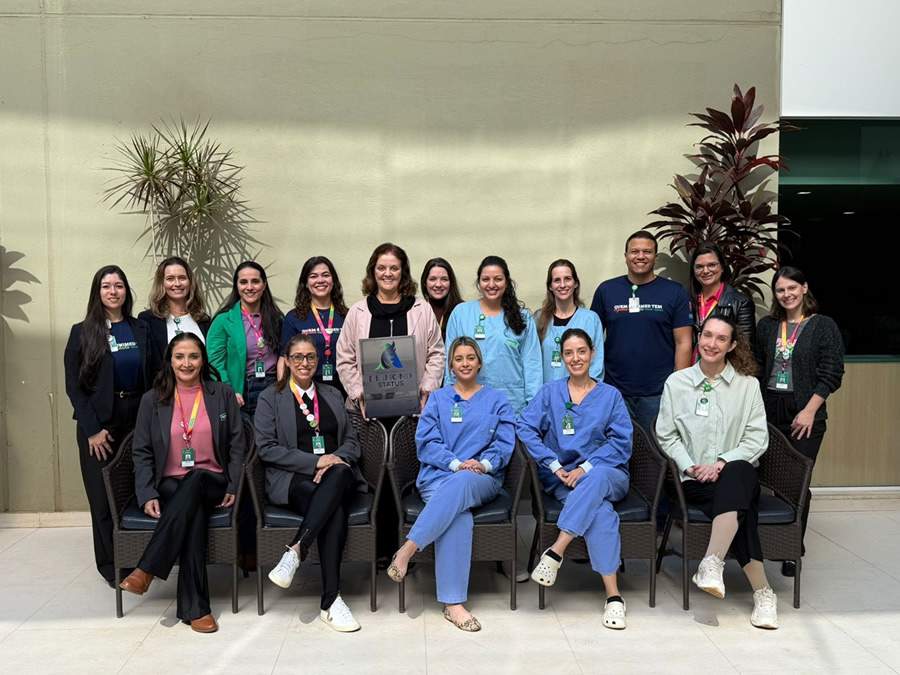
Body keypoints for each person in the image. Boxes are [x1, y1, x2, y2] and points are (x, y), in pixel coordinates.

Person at [656, 315, 777, 629]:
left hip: (733, 473)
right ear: (699, 338)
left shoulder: (747, 386)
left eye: (721, 338)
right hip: (694, 480)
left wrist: (722, 462)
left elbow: (757, 438)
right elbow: (666, 434)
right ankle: (763, 593)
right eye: (707, 335)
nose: (712, 343)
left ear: (732, 345)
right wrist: (690, 466)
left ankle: (712, 562)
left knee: (737, 472)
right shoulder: (677, 383)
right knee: (742, 508)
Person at [119, 333, 245, 633]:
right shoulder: (152, 399)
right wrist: (147, 492)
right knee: (193, 514)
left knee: (197, 476)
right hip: (171, 483)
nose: (186, 363)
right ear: (170, 362)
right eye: (179, 357)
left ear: (203, 360)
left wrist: (233, 485)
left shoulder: (222, 394)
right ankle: (196, 608)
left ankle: (147, 568)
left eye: (193, 356)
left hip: (212, 479)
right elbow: (141, 451)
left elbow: (238, 445)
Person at [386, 337, 515, 632]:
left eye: (471, 357)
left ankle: (407, 549)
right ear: (451, 366)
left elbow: (505, 443)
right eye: (459, 358)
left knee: (464, 483)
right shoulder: (438, 399)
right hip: (439, 475)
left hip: (481, 477)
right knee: (459, 514)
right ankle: (453, 604)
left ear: (479, 363)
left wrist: (483, 464)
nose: (465, 363)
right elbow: (426, 442)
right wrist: (455, 464)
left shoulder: (498, 400)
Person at [517, 328, 632, 630]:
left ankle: (556, 550)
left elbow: (622, 443)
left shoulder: (610, 396)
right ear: (562, 357)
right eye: (569, 353)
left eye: (581, 351)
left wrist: (588, 467)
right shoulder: (550, 393)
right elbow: (525, 428)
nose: (576, 358)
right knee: (601, 513)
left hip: (609, 474)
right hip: (565, 479)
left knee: (597, 478)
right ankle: (614, 597)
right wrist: (553, 464)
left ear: (592, 353)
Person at [259, 334, 365, 632]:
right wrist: (315, 462)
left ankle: (296, 550)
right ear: (287, 361)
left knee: (340, 474)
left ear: (318, 360)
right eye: (297, 357)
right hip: (294, 479)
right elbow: (266, 448)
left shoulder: (332, 394)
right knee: (334, 509)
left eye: (310, 357)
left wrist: (334, 459)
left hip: (337, 475)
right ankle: (331, 602)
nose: (304, 363)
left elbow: (352, 441)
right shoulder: (271, 397)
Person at [64, 265, 153, 587]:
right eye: (106, 286)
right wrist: (92, 429)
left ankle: (140, 559)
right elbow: (74, 387)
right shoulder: (82, 332)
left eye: (118, 285)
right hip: (100, 424)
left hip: (137, 417)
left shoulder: (140, 328)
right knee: (102, 498)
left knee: (134, 490)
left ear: (126, 291)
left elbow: (154, 374)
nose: (113, 291)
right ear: (97, 292)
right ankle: (111, 565)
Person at [754, 266, 844, 577]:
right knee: (770, 480)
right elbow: (757, 367)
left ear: (804, 288)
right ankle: (769, 541)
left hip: (805, 414)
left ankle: (792, 549)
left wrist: (809, 410)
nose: (787, 294)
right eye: (780, 290)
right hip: (769, 411)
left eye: (792, 288)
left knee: (796, 482)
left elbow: (832, 373)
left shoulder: (823, 326)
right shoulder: (767, 326)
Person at [590, 230, 693, 432]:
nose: (640, 256)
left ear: (655, 256)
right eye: (634, 251)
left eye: (647, 251)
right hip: (614, 391)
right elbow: (592, 341)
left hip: (658, 393)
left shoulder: (675, 292)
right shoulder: (607, 291)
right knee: (616, 446)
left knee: (657, 448)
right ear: (626, 256)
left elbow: (684, 342)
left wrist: (677, 388)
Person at [335, 242, 445, 420]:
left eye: (394, 268)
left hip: (413, 411)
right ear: (373, 272)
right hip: (368, 413)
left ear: (403, 272)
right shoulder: (357, 311)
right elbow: (344, 357)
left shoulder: (422, 309)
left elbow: (436, 354)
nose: (387, 273)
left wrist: (427, 388)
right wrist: (358, 392)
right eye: (381, 268)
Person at [444, 255, 541, 414]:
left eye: (498, 279)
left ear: (507, 282)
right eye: (485, 279)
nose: (491, 285)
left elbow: (532, 364)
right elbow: (450, 361)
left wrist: (533, 408)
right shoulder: (461, 314)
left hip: (512, 404)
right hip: (469, 404)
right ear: (478, 282)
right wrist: (449, 398)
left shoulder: (522, 317)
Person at [207, 261, 283, 420]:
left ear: (264, 285)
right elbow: (214, 362)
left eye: (255, 281)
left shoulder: (277, 319)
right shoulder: (223, 320)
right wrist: (229, 390)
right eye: (243, 282)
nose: (249, 287)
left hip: (273, 387)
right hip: (241, 390)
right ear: (236, 286)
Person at [280, 256, 349, 396]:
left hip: (343, 389)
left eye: (325, 275)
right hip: (305, 389)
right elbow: (283, 359)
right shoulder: (293, 318)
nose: (320, 280)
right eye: (313, 276)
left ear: (333, 281)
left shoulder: (347, 315)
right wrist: (284, 395)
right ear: (306, 283)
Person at [138, 256, 211, 382]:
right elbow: (148, 366)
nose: (177, 284)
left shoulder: (203, 320)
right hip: (164, 390)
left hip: (201, 389)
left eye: (182, 278)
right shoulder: (147, 320)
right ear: (162, 283)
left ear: (190, 282)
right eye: (170, 278)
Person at [535, 259, 604, 383]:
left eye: (567, 279)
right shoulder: (538, 319)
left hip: (581, 392)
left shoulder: (590, 319)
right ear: (550, 286)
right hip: (547, 391)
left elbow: (597, 365)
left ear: (576, 283)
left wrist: (588, 392)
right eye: (557, 280)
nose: (562, 285)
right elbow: (532, 361)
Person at [688, 242, 756, 356]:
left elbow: (745, 348)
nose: (705, 271)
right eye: (699, 267)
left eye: (712, 265)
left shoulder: (740, 302)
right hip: (691, 365)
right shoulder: (686, 300)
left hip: (723, 365)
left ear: (722, 267)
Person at [421, 257, 463, 339]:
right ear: (424, 283)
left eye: (444, 279)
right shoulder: (418, 310)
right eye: (432, 279)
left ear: (451, 283)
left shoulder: (462, 310)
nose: (438, 284)